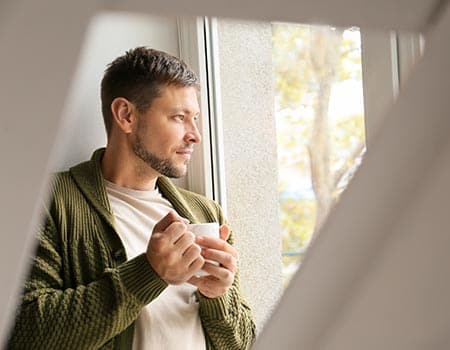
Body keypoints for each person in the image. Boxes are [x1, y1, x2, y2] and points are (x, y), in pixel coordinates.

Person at [8, 47, 256, 349]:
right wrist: (149, 273)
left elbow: (242, 344)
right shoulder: (47, 202)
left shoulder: (206, 214)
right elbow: (23, 332)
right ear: (126, 115)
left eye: (196, 119)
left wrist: (218, 296)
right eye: (179, 117)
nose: (195, 135)